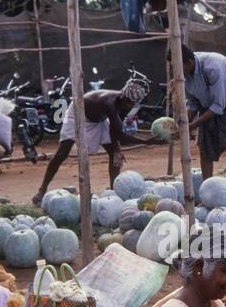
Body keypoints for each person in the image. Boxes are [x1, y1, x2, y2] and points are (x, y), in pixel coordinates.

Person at [31, 74, 148, 207]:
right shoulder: (110, 102)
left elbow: (115, 132)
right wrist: (148, 142)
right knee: (61, 154)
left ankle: (114, 192)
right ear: (123, 96)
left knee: (115, 155)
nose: (130, 105)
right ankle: (42, 190)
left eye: (133, 103)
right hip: (78, 113)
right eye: (129, 102)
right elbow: (121, 135)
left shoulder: (125, 104)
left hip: (99, 120)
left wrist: (117, 150)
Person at [182, 45, 226, 181]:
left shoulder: (212, 67)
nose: (176, 71)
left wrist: (192, 126)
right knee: (205, 147)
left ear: (189, 62)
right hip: (207, 103)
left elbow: (218, 106)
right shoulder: (182, 75)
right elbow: (193, 102)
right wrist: (185, 122)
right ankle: (207, 187)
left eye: (179, 67)